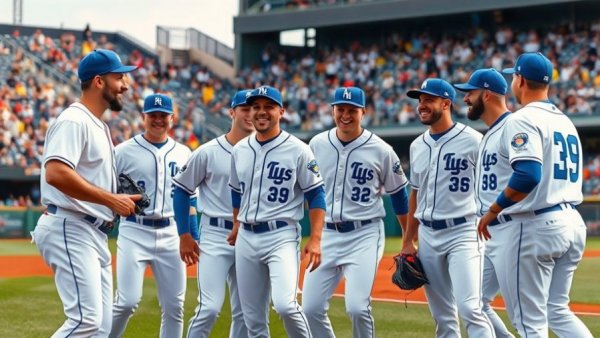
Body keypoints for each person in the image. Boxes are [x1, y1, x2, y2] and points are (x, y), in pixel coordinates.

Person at [478, 52, 592, 338]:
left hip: (534, 225)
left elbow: (528, 174)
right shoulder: (565, 120)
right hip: (572, 223)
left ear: (519, 80)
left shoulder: (522, 118)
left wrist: (493, 210)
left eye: (513, 76)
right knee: (557, 310)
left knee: (530, 323)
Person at [31, 49, 139, 337]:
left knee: (101, 330)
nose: (125, 85)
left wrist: (119, 196)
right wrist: (110, 198)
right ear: (99, 82)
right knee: (85, 321)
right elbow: (55, 172)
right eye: (119, 77)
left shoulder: (98, 125)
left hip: (93, 230)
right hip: (71, 224)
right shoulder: (74, 119)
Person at [302, 86, 409, 337]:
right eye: (341, 109)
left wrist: (407, 238)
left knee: (358, 308)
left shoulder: (381, 149)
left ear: (363, 112)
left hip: (364, 233)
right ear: (332, 110)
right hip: (327, 234)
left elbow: (399, 196)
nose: (346, 115)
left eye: (352, 110)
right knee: (310, 308)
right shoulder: (317, 143)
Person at [228, 85, 326, 337]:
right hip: (246, 238)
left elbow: (316, 194)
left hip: (280, 234)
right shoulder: (240, 150)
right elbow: (236, 190)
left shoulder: (299, 149)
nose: (261, 112)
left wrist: (315, 239)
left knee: (285, 305)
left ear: (281, 112)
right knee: (253, 318)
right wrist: (237, 221)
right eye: (256, 107)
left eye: (268, 107)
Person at [401, 78, 495, 337]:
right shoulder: (417, 145)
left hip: (463, 232)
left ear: (446, 103)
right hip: (429, 236)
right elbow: (415, 194)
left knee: (471, 309)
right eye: (420, 101)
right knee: (443, 316)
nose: (422, 106)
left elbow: (492, 184)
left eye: (428, 100)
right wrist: (408, 240)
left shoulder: (475, 141)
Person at [172, 90, 254, 338]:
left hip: (250, 235)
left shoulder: (262, 153)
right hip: (215, 234)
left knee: (246, 313)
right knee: (208, 308)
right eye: (245, 109)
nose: (251, 114)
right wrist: (185, 234)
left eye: (255, 108)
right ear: (232, 112)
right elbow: (181, 189)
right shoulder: (207, 151)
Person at [109, 93, 191, 338]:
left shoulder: (184, 152)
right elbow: (106, 189)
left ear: (172, 119)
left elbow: (191, 198)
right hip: (135, 229)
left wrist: (191, 234)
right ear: (143, 117)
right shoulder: (122, 152)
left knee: (175, 307)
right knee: (126, 302)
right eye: (152, 115)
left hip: (171, 232)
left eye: (163, 116)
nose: (158, 120)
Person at [453, 68, 515, 338]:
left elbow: (531, 175)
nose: (466, 98)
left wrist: (493, 211)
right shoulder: (489, 132)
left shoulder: (514, 126)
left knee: (532, 313)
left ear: (487, 95)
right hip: (492, 231)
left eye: (471, 92)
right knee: (474, 302)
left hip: (514, 229)